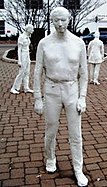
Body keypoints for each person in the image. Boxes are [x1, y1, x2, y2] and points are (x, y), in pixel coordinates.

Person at [33, 7, 88, 186]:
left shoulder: (79, 43)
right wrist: (37, 98)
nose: (60, 23)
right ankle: (50, 158)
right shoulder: (44, 43)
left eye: (63, 20)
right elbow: (37, 72)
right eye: (56, 20)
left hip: (72, 88)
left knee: (76, 133)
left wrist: (82, 97)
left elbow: (84, 74)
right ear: (52, 20)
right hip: (51, 88)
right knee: (51, 129)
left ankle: (78, 168)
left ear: (69, 19)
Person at [10, 24, 34, 94]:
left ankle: (26, 88)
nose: (33, 30)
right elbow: (19, 49)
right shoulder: (21, 37)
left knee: (27, 72)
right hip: (23, 55)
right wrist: (19, 61)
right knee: (21, 73)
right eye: (32, 29)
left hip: (27, 55)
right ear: (28, 29)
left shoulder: (28, 37)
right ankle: (14, 88)